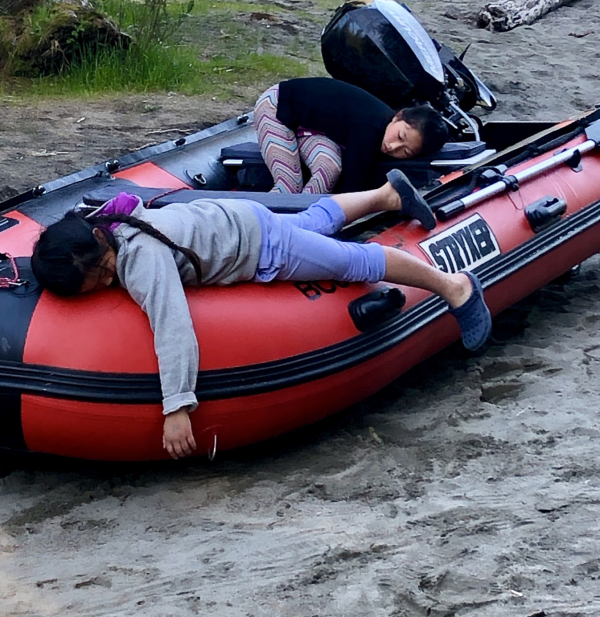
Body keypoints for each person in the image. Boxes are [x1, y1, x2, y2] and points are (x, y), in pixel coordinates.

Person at [30, 170, 491, 460]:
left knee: (354, 262)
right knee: (313, 222)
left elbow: (173, 326)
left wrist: (178, 407)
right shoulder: (114, 220)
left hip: (258, 245)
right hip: (240, 218)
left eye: (102, 276)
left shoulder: (140, 259)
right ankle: (388, 195)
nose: (107, 286)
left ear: (100, 251)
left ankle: (454, 286)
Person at [254, 76, 449, 195]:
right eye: (399, 136)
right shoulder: (370, 127)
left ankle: (305, 222)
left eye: (405, 152)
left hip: (311, 129)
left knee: (329, 168)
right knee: (289, 186)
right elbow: (353, 188)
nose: (392, 147)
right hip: (278, 107)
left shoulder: (382, 131)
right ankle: (256, 224)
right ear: (398, 116)